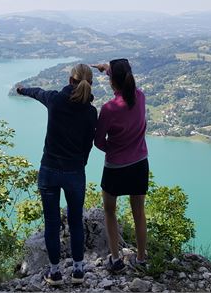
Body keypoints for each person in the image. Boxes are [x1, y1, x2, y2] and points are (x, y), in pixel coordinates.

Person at [16, 63, 98, 286]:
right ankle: (79, 270)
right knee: (76, 221)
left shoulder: (55, 100)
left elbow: (37, 92)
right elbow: (88, 145)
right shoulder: (91, 112)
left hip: (49, 170)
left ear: (70, 80)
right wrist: (80, 164)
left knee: (52, 223)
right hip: (74, 172)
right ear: (89, 84)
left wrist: (22, 90)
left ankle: (54, 273)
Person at [92, 58, 149, 274]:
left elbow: (98, 141)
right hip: (139, 164)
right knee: (139, 213)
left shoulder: (109, 109)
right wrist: (108, 69)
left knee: (109, 210)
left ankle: (116, 259)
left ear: (111, 81)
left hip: (115, 167)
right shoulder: (140, 97)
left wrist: (114, 150)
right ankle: (141, 259)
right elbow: (123, 79)